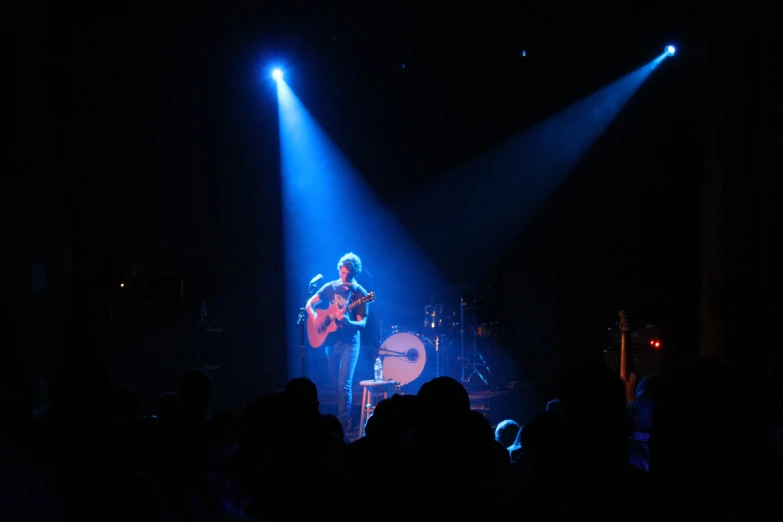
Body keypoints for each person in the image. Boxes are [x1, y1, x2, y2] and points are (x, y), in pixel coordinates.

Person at [305, 252, 369, 431]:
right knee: (335, 384)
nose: (344, 277)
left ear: (354, 274)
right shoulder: (330, 287)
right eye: (342, 273)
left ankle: (341, 426)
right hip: (331, 343)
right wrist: (316, 317)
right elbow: (309, 304)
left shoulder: (360, 293)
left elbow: (362, 322)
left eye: (348, 275)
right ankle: (351, 416)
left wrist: (348, 322)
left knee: (344, 384)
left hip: (350, 343)